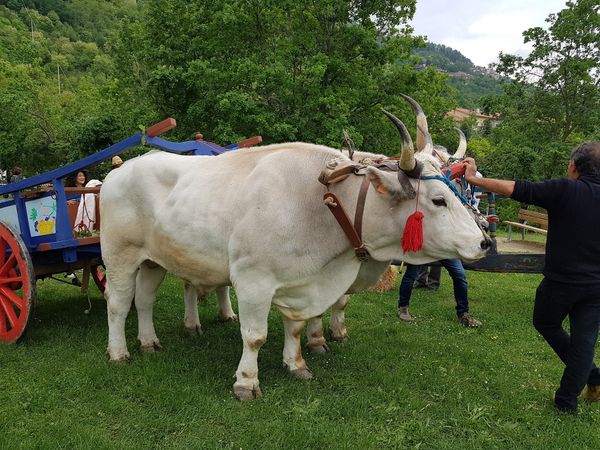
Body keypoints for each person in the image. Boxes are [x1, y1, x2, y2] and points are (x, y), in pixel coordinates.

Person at [463, 141, 600, 414]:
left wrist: (470, 177)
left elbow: (516, 188)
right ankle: (568, 401)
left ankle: (592, 377)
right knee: (584, 341)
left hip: (562, 282)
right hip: (597, 287)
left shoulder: (565, 189)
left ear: (573, 167)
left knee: (546, 323)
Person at [397, 260, 481, 327]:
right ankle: (403, 309)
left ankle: (463, 314)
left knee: (459, 275)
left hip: (444, 247)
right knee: (411, 275)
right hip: (421, 248)